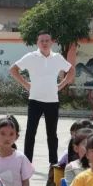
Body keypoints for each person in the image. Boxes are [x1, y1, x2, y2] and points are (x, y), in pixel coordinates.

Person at [10, 31, 75, 164]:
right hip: (35, 100)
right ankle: (27, 162)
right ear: (37, 43)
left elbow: (71, 70)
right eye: (41, 41)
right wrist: (26, 84)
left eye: (47, 40)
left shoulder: (57, 58)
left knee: (52, 134)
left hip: (52, 101)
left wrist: (61, 85)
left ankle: (53, 163)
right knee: (30, 133)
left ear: (52, 42)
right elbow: (13, 69)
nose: (44, 43)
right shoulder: (31, 56)